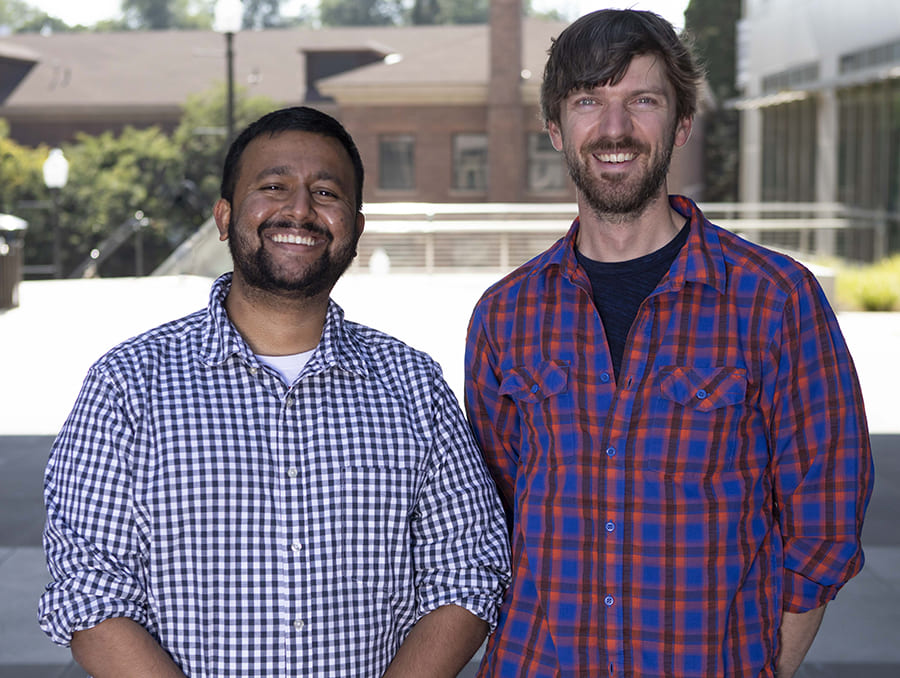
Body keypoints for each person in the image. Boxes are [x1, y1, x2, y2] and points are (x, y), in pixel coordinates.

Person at [464, 10, 873, 678]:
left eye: (643, 101)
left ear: (681, 124)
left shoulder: (776, 301)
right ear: (555, 130)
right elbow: (495, 520)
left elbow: (823, 524)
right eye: (588, 102)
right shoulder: (505, 315)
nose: (615, 129)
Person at [40, 106, 510, 678]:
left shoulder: (414, 387)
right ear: (224, 216)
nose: (299, 209)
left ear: (356, 228)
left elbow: (470, 571)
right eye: (273, 186)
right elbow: (90, 592)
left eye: (326, 192)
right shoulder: (126, 387)